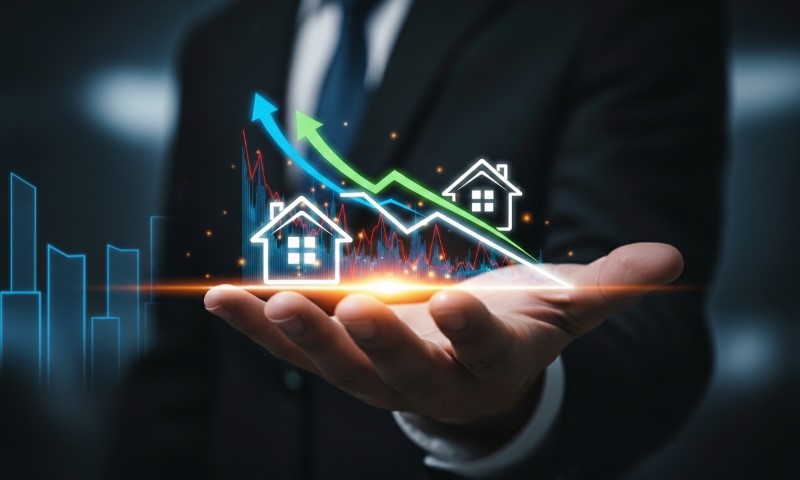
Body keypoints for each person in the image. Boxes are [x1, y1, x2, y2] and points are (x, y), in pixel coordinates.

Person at [111, 0, 726, 478]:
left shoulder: (616, 16)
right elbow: (184, 349)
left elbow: (640, 332)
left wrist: (507, 406)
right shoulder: (218, 45)